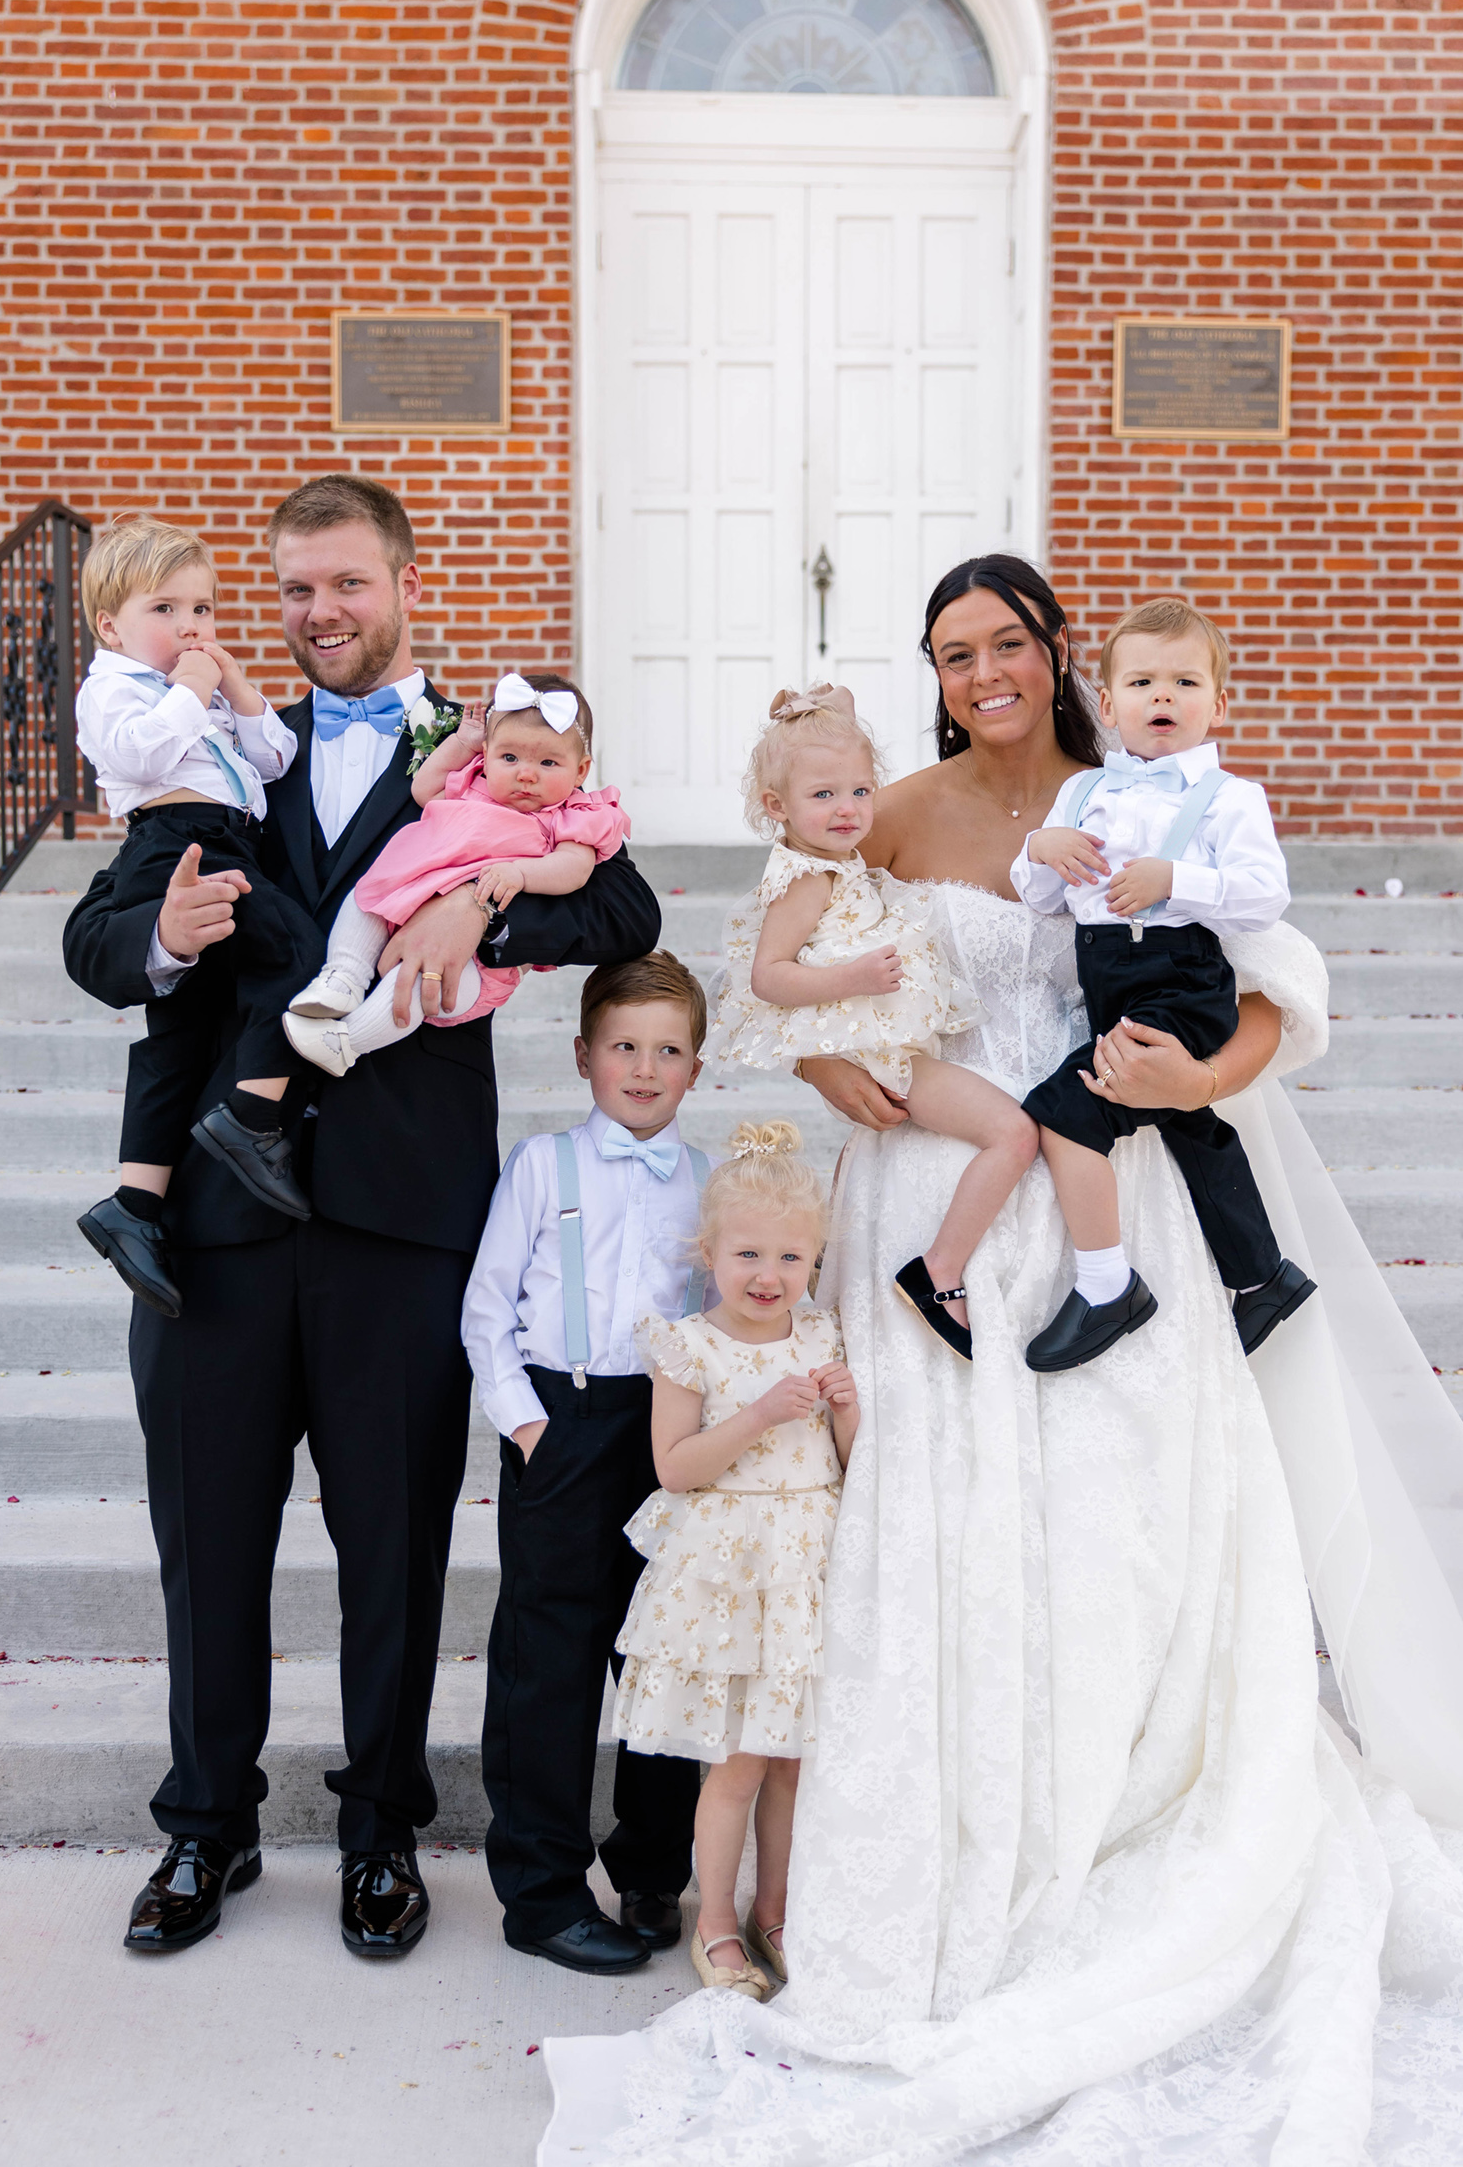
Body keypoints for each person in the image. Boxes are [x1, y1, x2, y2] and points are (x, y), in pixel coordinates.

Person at [539, 554, 1463, 2165]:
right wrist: (834, 1060)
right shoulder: (888, 808)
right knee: (928, 1551)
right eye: (952, 652)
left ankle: (1116, 1842)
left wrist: (1199, 1072)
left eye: (1007, 642)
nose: (983, 671)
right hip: (930, 1194)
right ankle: (947, 1875)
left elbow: (1276, 983)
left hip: (1116, 1201)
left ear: (1054, 647)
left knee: (1125, 1537)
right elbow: (781, 952)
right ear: (936, 671)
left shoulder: (1153, 787)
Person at [61, 474, 662, 1961]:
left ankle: (381, 1828)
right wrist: (156, 937)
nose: (315, 612)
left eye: (344, 583)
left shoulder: (495, 747)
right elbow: (94, 936)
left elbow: (626, 905)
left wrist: (492, 909)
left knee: (392, 1545)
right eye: (292, 589)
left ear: (402, 581)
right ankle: (207, 1828)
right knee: (208, 1542)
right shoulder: (206, 732)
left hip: (403, 1219)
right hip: (212, 1215)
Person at [461, 953, 709, 1976]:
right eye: (623, 1047)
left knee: (661, 1654)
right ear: (583, 1056)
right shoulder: (541, 1167)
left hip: (667, 1431)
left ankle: (652, 1869)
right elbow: (485, 1310)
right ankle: (543, 1892)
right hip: (560, 1420)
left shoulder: (708, 1181)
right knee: (549, 1659)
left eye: (667, 1050)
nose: (643, 1068)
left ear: (698, 1066)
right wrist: (527, 1428)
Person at [1011, 595, 1316, 1371]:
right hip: (1107, 978)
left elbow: (1263, 897)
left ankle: (1108, 1285)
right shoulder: (1083, 793)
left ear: (1218, 703)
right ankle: (1262, 1278)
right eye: (1143, 683)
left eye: (1185, 683)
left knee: (1066, 1110)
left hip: (1180, 980)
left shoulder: (1230, 799)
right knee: (1191, 1126)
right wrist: (1041, 849)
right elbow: (1043, 899)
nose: (1163, 698)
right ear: (1108, 703)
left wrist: (1176, 878)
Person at [707, 683, 1035, 1362]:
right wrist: (851, 979)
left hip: (895, 1047)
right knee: (1012, 1133)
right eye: (824, 797)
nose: (848, 810)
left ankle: (933, 1267)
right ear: (777, 808)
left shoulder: (833, 857)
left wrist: (840, 714)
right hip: (891, 1063)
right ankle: (940, 1271)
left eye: (860, 792)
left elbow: (834, 763)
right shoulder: (805, 879)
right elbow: (767, 975)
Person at [614, 1122, 859, 2000]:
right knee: (739, 1759)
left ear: (817, 1260)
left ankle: (777, 1907)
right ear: (708, 1251)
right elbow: (674, 1468)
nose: (769, 1276)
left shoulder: (824, 1336)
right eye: (748, 1253)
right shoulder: (690, 1346)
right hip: (729, 1575)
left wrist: (845, 1407)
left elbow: (850, 1457)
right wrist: (757, 1414)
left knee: (795, 1758)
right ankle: (714, 1917)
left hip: (807, 1569)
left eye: (790, 1258)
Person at [72, 516, 325, 1315]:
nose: (190, 627)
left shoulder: (202, 690)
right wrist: (190, 691)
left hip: (222, 836)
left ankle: (135, 1203)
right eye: (166, 609)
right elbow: (141, 756)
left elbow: (275, 761)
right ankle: (252, 1115)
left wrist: (238, 691)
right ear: (112, 626)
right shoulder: (111, 688)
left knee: (176, 1036)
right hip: (175, 841)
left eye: (204, 609)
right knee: (294, 952)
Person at [284, 672, 626, 1075]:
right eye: (509, 758)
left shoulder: (571, 815)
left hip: (472, 960)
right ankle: (342, 978)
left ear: (582, 770)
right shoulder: (474, 782)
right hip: (411, 892)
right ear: (487, 753)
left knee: (416, 985)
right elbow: (423, 789)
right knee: (366, 901)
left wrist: (521, 874)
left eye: (548, 762)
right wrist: (460, 744)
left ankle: (347, 1042)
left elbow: (574, 869)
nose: (526, 774)